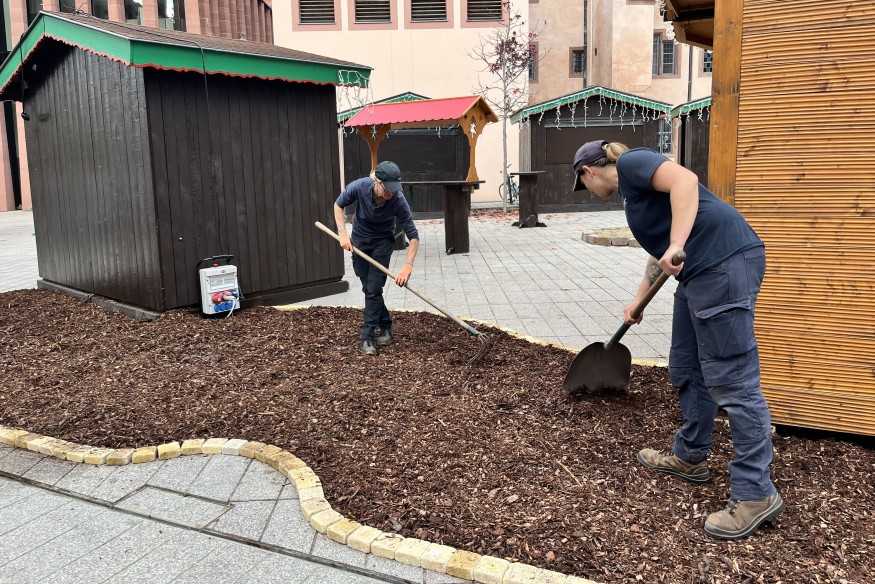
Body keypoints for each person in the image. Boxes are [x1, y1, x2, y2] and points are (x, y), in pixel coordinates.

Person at [571, 140, 784, 540]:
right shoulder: (633, 191)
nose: (591, 192)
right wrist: (638, 300)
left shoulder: (633, 162)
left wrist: (677, 244)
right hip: (697, 273)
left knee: (733, 381)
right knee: (687, 365)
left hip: (722, 263)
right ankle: (691, 456)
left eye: (585, 185)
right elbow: (660, 252)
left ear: (589, 171)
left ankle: (756, 493)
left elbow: (685, 181)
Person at [333, 161, 420, 356]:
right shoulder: (359, 187)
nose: (391, 193)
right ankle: (386, 327)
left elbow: (413, 236)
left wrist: (408, 265)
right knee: (368, 287)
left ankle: (367, 337)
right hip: (360, 240)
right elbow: (338, 205)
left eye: (394, 188)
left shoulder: (398, 200)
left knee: (373, 288)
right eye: (387, 188)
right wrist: (342, 233)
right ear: (376, 182)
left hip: (383, 242)